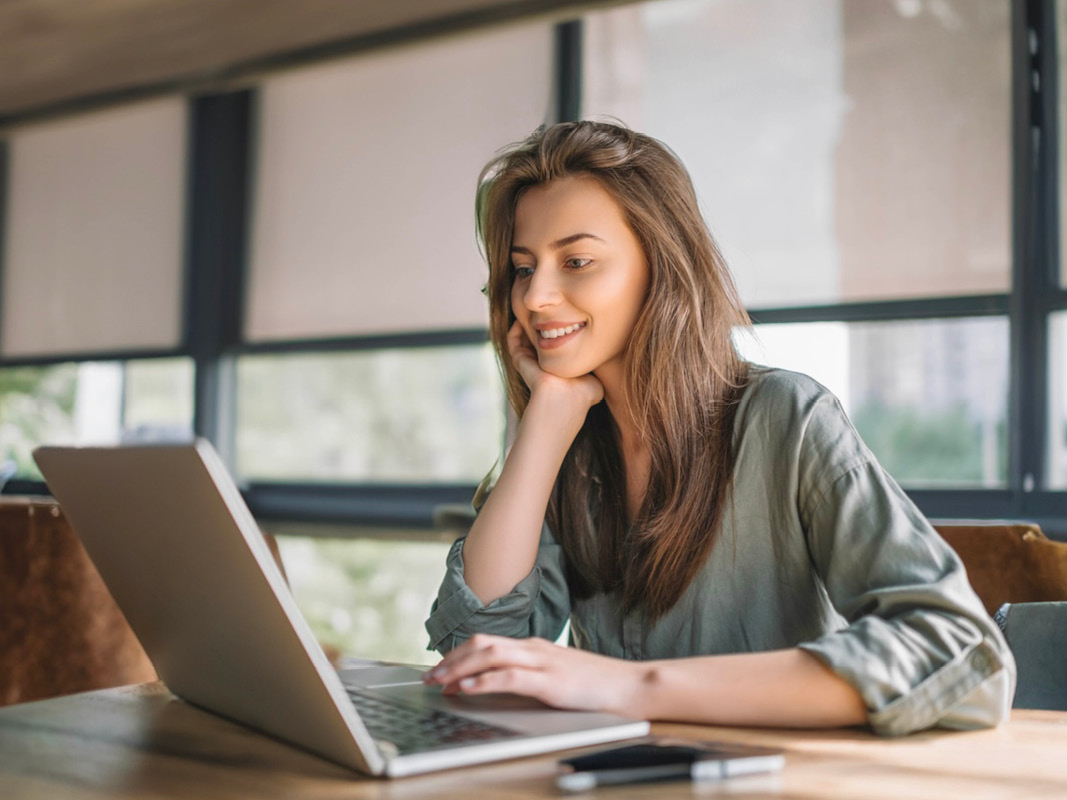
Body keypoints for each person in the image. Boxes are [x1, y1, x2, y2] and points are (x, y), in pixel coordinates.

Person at [422, 121, 1014, 735]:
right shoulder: (567, 443)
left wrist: (635, 687)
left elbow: (960, 651)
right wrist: (541, 426)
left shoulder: (786, 418)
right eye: (522, 269)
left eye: (576, 261)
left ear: (662, 266)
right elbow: (475, 652)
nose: (536, 297)